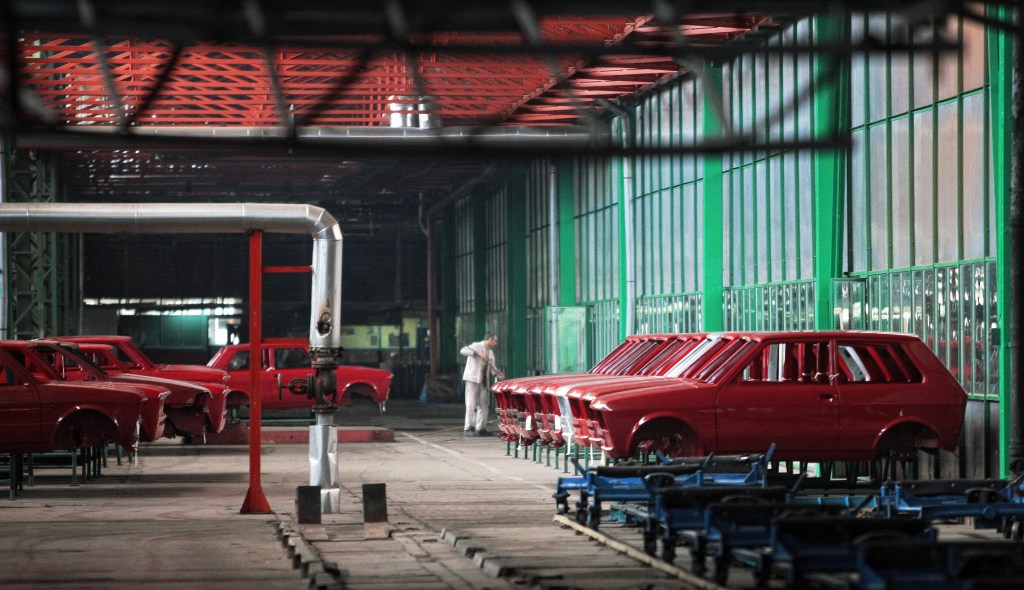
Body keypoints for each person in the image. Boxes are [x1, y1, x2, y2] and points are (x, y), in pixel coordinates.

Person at [460, 332, 504, 436]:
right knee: (471, 403)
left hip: (483, 381)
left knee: (484, 404)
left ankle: (481, 428)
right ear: (490, 339)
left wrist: (497, 374)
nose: (496, 343)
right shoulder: (476, 346)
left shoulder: (490, 353)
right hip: (472, 379)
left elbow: (492, 366)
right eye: (495, 341)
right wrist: (477, 354)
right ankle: (468, 428)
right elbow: (463, 351)